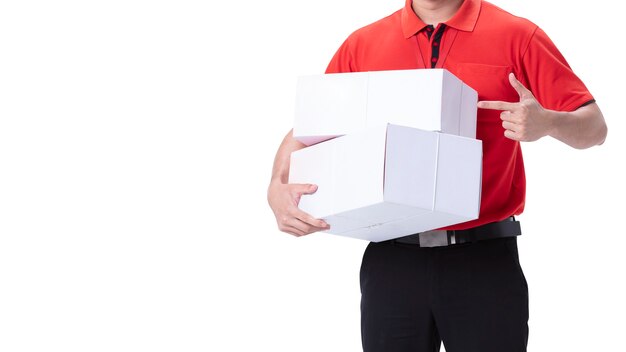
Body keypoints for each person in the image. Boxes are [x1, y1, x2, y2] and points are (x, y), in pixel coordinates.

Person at [267, 0, 608, 351]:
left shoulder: (517, 35)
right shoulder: (363, 45)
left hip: (483, 261)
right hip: (391, 261)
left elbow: (595, 127)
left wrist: (549, 123)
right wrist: (276, 187)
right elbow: (309, 128)